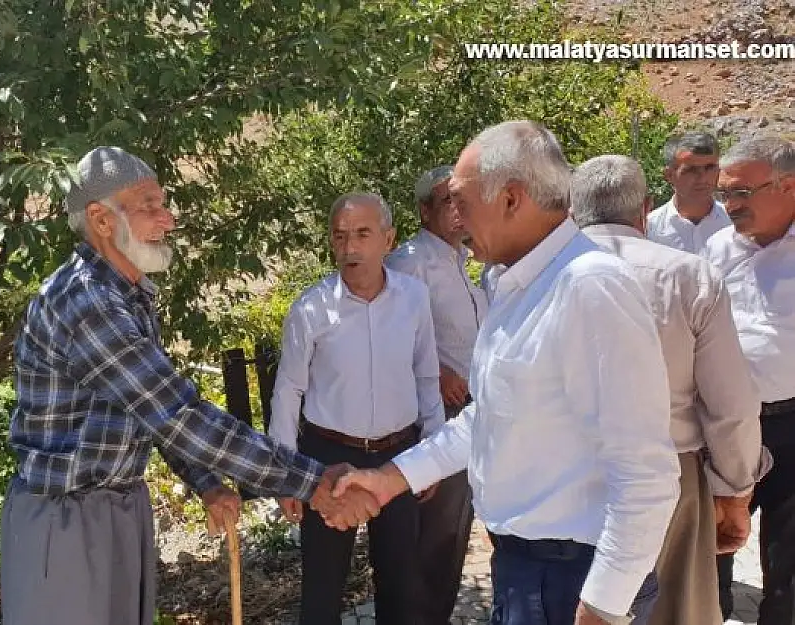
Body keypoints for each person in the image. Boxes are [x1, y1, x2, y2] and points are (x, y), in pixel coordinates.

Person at [0, 146, 379, 625]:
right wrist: (312, 483)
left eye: (164, 204)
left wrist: (204, 482)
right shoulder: (86, 301)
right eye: (150, 207)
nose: (168, 219)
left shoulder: (128, 294)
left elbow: (148, 411)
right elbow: (179, 416)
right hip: (67, 520)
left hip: (118, 509)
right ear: (100, 219)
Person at [328, 121, 680, 625]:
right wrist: (388, 480)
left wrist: (604, 603)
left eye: (461, 202)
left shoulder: (590, 288)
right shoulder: (514, 285)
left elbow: (646, 471)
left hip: (573, 578)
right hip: (527, 570)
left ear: (511, 199)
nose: (456, 218)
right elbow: (487, 419)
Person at [570, 155, 770, 625]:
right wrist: (735, 492)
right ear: (644, 209)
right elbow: (731, 405)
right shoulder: (690, 276)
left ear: (573, 211)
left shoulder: (534, 276)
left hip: (565, 475)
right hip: (670, 477)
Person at [269, 191, 444, 625]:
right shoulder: (310, 309)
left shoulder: (414, 298)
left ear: (388, 239)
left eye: (362, 234)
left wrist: (434, 454)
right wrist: (287, 475)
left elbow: (426, 375)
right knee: (323, 589)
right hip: (330, 459)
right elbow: (288, 390)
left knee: (401, 584)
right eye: (340, 236)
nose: (350, 248)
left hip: (398, 455)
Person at [386, 166, 484, 623]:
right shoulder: (409, 262)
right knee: (434, 534)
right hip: (436, 413)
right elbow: (386, 335)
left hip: (474, 414)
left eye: (463, 200)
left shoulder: (464, 260)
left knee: (455, 534)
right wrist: (440, 370)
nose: (459, 211)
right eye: (448, 201)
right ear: (424, 211)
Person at [704, 136, 795, 625]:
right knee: (712, 551)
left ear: (789, 186)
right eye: (726, 194)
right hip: (726, 426)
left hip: (793, 424)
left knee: (790, 567)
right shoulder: (716, 251)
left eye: (742, 193)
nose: (731, 205)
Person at [647, 131, 731, 253]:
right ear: (669, 175)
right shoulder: (650, 229)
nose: (702, 178)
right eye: (691, 170)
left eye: (709, 168)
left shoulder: (735, 223)